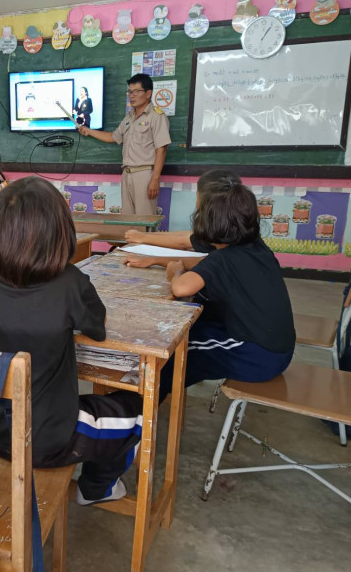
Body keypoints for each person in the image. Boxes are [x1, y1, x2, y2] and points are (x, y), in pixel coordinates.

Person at [0, 176, 145, 506]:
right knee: (138, 412)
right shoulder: (70, 282)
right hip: (45, 439)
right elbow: (97, 327)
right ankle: (97, 489)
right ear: (60, 232)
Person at [158, 176, 295, 398]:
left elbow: (181, 288)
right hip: (274, 348)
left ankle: (138, 404)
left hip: (257, 356)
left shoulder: (223, 258)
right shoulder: (255, 247)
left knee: (175, 350)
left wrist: (176, 273)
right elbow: (204, 268)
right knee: (190, 329)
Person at [79, 73, 170, 216]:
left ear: (148, 93)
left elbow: (161, 149)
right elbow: (113, 137)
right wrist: (89, 131)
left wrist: (155, 179)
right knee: (127, 219)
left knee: (144, 219)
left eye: (136, 91)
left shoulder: (156, 116)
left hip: (144, 174)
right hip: (126, 173)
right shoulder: (129, 117)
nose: (131, 96)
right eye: (129, 92)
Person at [122, 169, 242, 269]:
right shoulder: (236, 221)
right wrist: (143, 236)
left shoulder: (221, 229)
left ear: (205, 201)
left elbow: (183, 243)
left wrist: (146, 243)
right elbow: (188, 235)